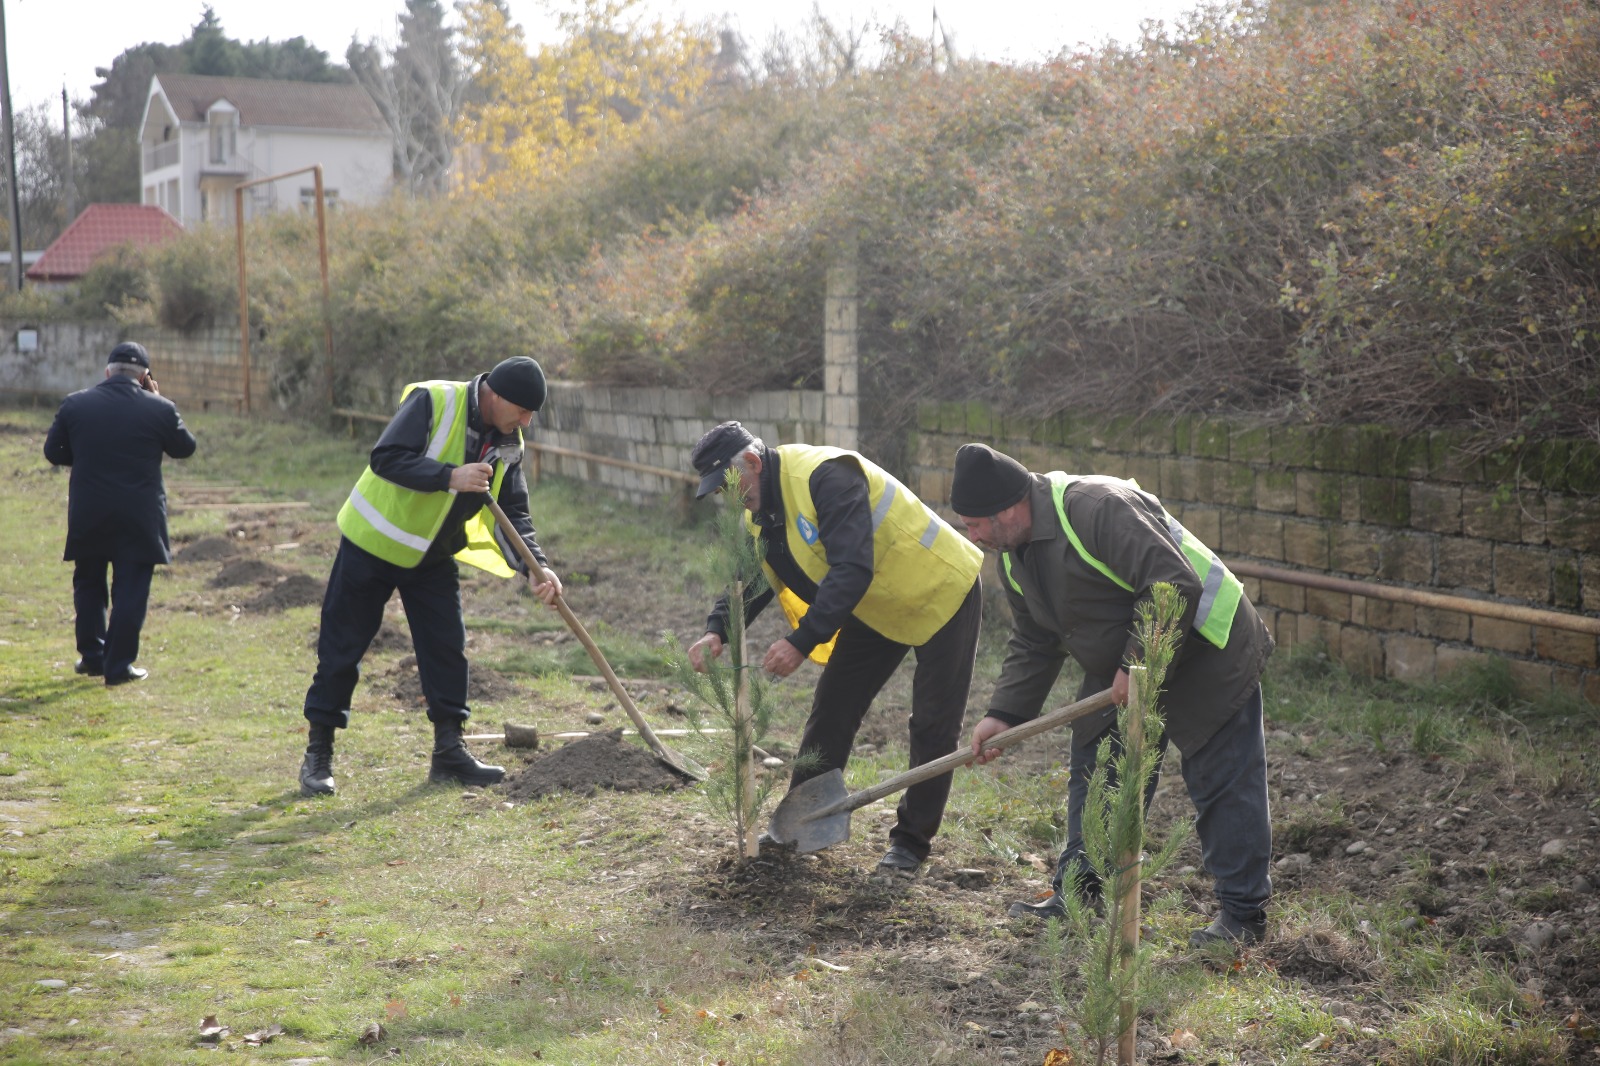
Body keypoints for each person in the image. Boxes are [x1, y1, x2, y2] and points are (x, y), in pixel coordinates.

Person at [950, 443, 1274, 947]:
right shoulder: (1013, 558)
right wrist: (1004, 713)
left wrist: (1135, 663)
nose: (972, 536)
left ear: (1010, 508)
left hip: (1207, 645)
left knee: (1221, 777)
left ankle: (1242, 915)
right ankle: (1081, 893)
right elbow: (1035, 640)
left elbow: (1172, 583)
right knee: (1100, 762)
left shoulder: (1097, 507)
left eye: (975, 525)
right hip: (1130, 652)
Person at [686, 421, 984, 874]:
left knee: (932, 725)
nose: (730, 498)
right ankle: (801, 825)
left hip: (939, 588)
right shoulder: (760, 511)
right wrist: (716, 631)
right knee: (833, 706)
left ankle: (909, 845)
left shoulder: (825, 475)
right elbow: (752, 580)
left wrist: (801, 641)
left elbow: (851, 567)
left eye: (731, 485)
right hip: (875, 603)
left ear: (751, 462)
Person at [297, 356, 562, 797]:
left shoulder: (509, 441)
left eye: (532, 414)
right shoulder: (434, 400)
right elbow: (385, 458)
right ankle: (318, 754)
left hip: (433, 555)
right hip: (373, 544)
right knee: (342, 649)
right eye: (522, 410)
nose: (527, 422)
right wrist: (448, 477)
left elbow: (514, 511)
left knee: (446, 649)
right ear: (494, 396)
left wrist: (535, 566)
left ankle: (449, 753)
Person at [43, 341, 197, 686]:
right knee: (131, 587)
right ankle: (118, 667)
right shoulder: (159, 409)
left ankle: (93, 657)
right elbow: (184, 448)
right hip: (139, 515)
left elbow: (53, 451)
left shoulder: (76, 404)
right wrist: (158, 399)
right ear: (145, 377)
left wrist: (87, 458)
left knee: (88, 582)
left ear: (107, 372)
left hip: (90, 510)